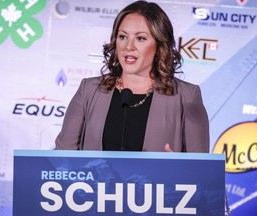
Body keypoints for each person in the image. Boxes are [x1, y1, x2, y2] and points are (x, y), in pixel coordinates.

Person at [55, 0, 209, 153]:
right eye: (122, 37)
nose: (129, 46)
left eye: (140, 38)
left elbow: (201, 170)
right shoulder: (89, 90)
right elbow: (61, 159)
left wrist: (176, 169)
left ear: (160, 45)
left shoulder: (186, 96)